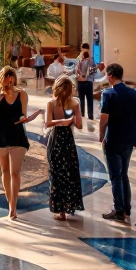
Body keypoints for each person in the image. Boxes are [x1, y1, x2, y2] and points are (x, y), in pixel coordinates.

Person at [0, 66, 41, 218]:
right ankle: (10, 202)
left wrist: (25, 118)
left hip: (17, 133)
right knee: (4, 171)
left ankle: (13, 207)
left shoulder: (22, 94)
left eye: (11, 78)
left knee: (15, 172)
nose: (9, 81)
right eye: (6, 78)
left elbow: (23, 114)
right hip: (0, 133)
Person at [99, 63, 136, 222]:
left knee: (115, 176)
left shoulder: (108, 94)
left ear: (111, 75)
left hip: (113, 139)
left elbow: (104, 119)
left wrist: (101, 136)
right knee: (124, 174)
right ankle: (126, 208)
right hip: (129, 139)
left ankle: (118, 209)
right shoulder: (134, 93)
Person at [45, 75, 85, 221]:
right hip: (66, 139)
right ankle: (68, 206)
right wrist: (69, 120)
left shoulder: (52, 103)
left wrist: (69, 119)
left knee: (57, 173)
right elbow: (79, 125)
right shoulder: (74, 103)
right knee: (69, 172)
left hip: (56, 139)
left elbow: (48, 123)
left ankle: (60, 210)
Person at [75, 43, 96, 127]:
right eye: (82, 50)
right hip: (80, 81)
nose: (83, 51)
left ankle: (90, 118)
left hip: (88, 82)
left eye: (83, 49)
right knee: (81, 100)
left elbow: (93, 70)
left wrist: (89, 57)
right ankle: (82, 116)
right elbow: (75, 69)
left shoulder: (91, 59)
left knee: (90, 100)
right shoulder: (79, 58)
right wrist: (80, 58)